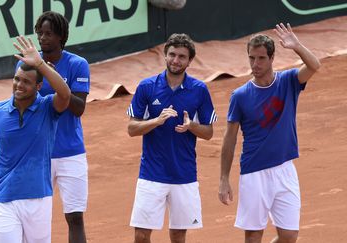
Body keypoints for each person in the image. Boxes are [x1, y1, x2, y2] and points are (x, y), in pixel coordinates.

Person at [218, 23, 321, 243]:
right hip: (254, 172)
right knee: (254, 236)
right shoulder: (240, 95)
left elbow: (314, 66)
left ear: (272, 58)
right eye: (251, 58)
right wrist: (224, 178)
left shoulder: (288, 81)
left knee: (289, 236)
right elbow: (229, 139)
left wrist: (297, 46)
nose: (255, 64)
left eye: (261, 58)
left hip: (285, 169)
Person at [0, 36, 71, 243]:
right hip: (3, 197)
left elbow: (65, 94)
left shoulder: (48, 108)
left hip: (38, 198)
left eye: (26, 82)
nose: (19, 85)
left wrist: (41, 64)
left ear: (38, 87)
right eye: (16, 79)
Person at [127, 33, 217, 243]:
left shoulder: (199, 90)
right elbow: (131, 128)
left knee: (178, 236)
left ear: (190, 61)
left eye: (182, 57)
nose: (176, 60)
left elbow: (209, 133)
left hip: (184, 174)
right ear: (165, 56)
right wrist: (156, 121)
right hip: (151, 174)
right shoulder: (146, 87)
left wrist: (191, 126)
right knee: (141, 235)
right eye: (172, 55)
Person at [17, 11, 90, 243]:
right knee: (34, 217)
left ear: (61, 37)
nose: (42, 38)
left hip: (71, 153)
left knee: (75, 217)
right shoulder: (27, 64)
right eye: (40, 33)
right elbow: (21, 104)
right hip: (38, 153)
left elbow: (78, 108)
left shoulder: (78, 64)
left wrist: (56, 80)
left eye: (48, 33)